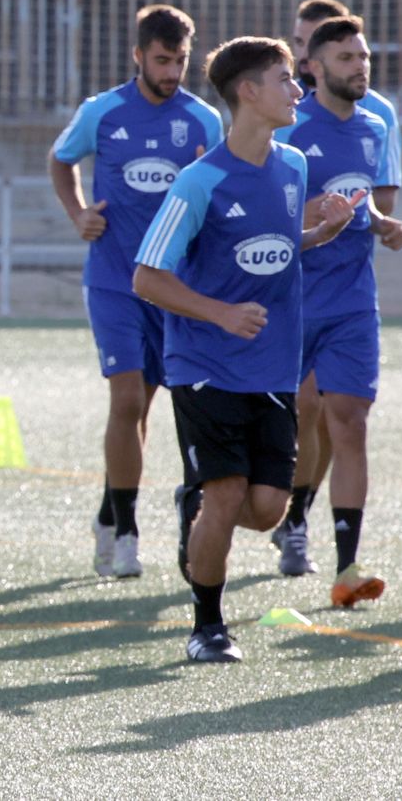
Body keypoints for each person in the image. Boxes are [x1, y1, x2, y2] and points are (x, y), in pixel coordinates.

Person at [133, 35, 354, 663]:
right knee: (227, 494)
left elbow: (276, 250)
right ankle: (207, 626)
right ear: (248, 93)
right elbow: (147, 277)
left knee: (264, 510)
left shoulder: (293, 166)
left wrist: (321, 232)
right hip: (203, 365)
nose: (298, 91)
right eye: (286, 79)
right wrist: (220, 313)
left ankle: (194, 509)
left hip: (274, 365)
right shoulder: (199, 182)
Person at [48, 5, 222, 579]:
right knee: (127, 402)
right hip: (114, 281)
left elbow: (213, 191)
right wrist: (78, 213)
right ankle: (126, 533)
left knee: (151, 407)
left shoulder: (202, 121)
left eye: (180, 61)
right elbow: (60, 159)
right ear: (139, 56)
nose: (172, 71)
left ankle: (108, 507)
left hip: (174, 288)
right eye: (162, 60)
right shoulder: (102, 112)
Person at [273, 15, 402, 606]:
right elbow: (266, 216)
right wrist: (311, 218)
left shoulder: (375, 127)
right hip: (292, 297)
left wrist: (382, 224)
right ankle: (253, 513)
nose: (361, 66)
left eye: (364, 56)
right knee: (284, 422)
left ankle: (347, 566)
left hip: (353, 300)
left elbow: (362, 203)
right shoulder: (288, 129)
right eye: (347, 58)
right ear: (313, 67)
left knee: (348, 422)